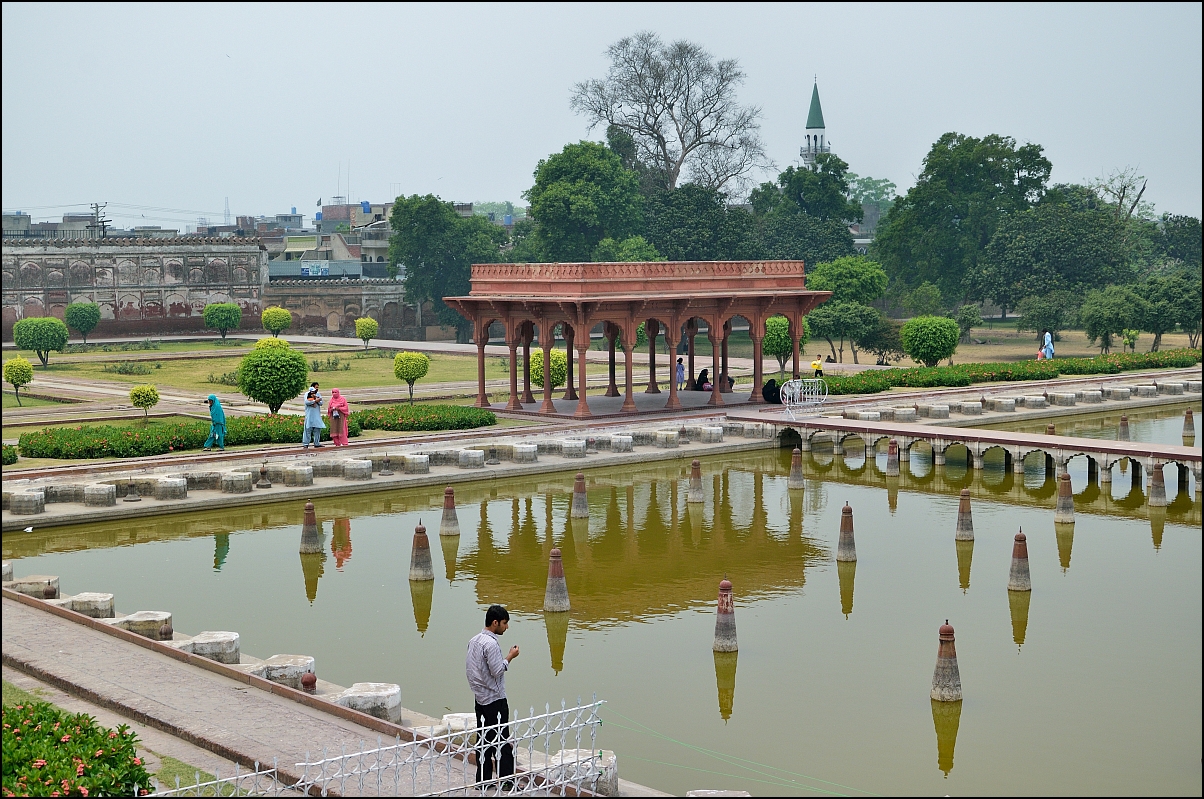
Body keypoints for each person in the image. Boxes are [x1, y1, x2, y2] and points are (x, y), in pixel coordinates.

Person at [466, 605, 519, 785]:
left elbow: (471, 670)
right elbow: (497, 670)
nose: (506, 627)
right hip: (495, 700)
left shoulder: (474, 641)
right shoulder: (491, 643)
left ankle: (483, 780)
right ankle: (506, 781)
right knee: (502, 741)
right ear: (495, 623)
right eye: (504, 623)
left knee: (484, 741)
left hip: (480, 700)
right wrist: (510, 656)